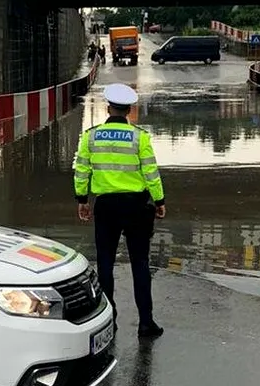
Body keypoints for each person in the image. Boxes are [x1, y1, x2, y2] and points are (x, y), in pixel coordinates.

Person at [72, 83, 165, 338]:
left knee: (105, 264)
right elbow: (150, 173)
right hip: (136, 207)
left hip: (106, 207)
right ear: (129, 110)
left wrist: (82, 200)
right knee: (140, 263)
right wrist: (159, 201)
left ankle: (108, 320)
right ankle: (146, 323)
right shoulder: (140, 137)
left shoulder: (90, 136)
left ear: (108, 108)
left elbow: (82, 171)